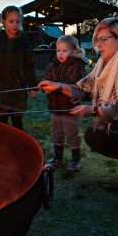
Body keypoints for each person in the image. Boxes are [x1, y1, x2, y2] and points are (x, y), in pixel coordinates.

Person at [38, 18, 118, 194]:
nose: (98, 45)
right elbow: (83, 89)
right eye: (96, 40)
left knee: (117, 127)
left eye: (103, 40)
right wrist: (58, 86)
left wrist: (92, 110)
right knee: (95, 134)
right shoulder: (106, 64)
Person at [0, 6, 37, 131]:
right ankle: (1, 143)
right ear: (3, 22)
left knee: (17, 119)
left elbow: (29, 65)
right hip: (0, 85)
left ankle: (19, 144)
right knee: (2, 119)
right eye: (11, 21)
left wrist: (32, 85)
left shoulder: (25, 42)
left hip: (18, 86)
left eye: (17, 22)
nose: (15, 25)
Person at [41, 35, 87, 171]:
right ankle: (58, 156)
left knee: (71, 133)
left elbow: (74, 83)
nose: (60, 54)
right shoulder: (52, 65)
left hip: (69, 107)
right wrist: (44, 85)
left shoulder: (77, 66)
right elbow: (47, 78)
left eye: (64, 51)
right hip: (54, 107)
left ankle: (75, 159)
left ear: (73, 52)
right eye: (58, 50)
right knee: (56, 132)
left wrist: (56, 85)